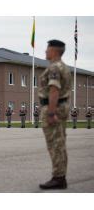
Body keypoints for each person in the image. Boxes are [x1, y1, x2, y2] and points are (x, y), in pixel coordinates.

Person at [38, 39, 72, 190]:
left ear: (54, 51)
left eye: (47, 48)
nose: (45, 51)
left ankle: (58, 178)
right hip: (61, 106)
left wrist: (51, 113)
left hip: (54, 108)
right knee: (60, 143)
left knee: (55, 144)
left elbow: (54, 90)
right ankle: (60, 177)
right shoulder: (63, 67)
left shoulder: (54, 68)